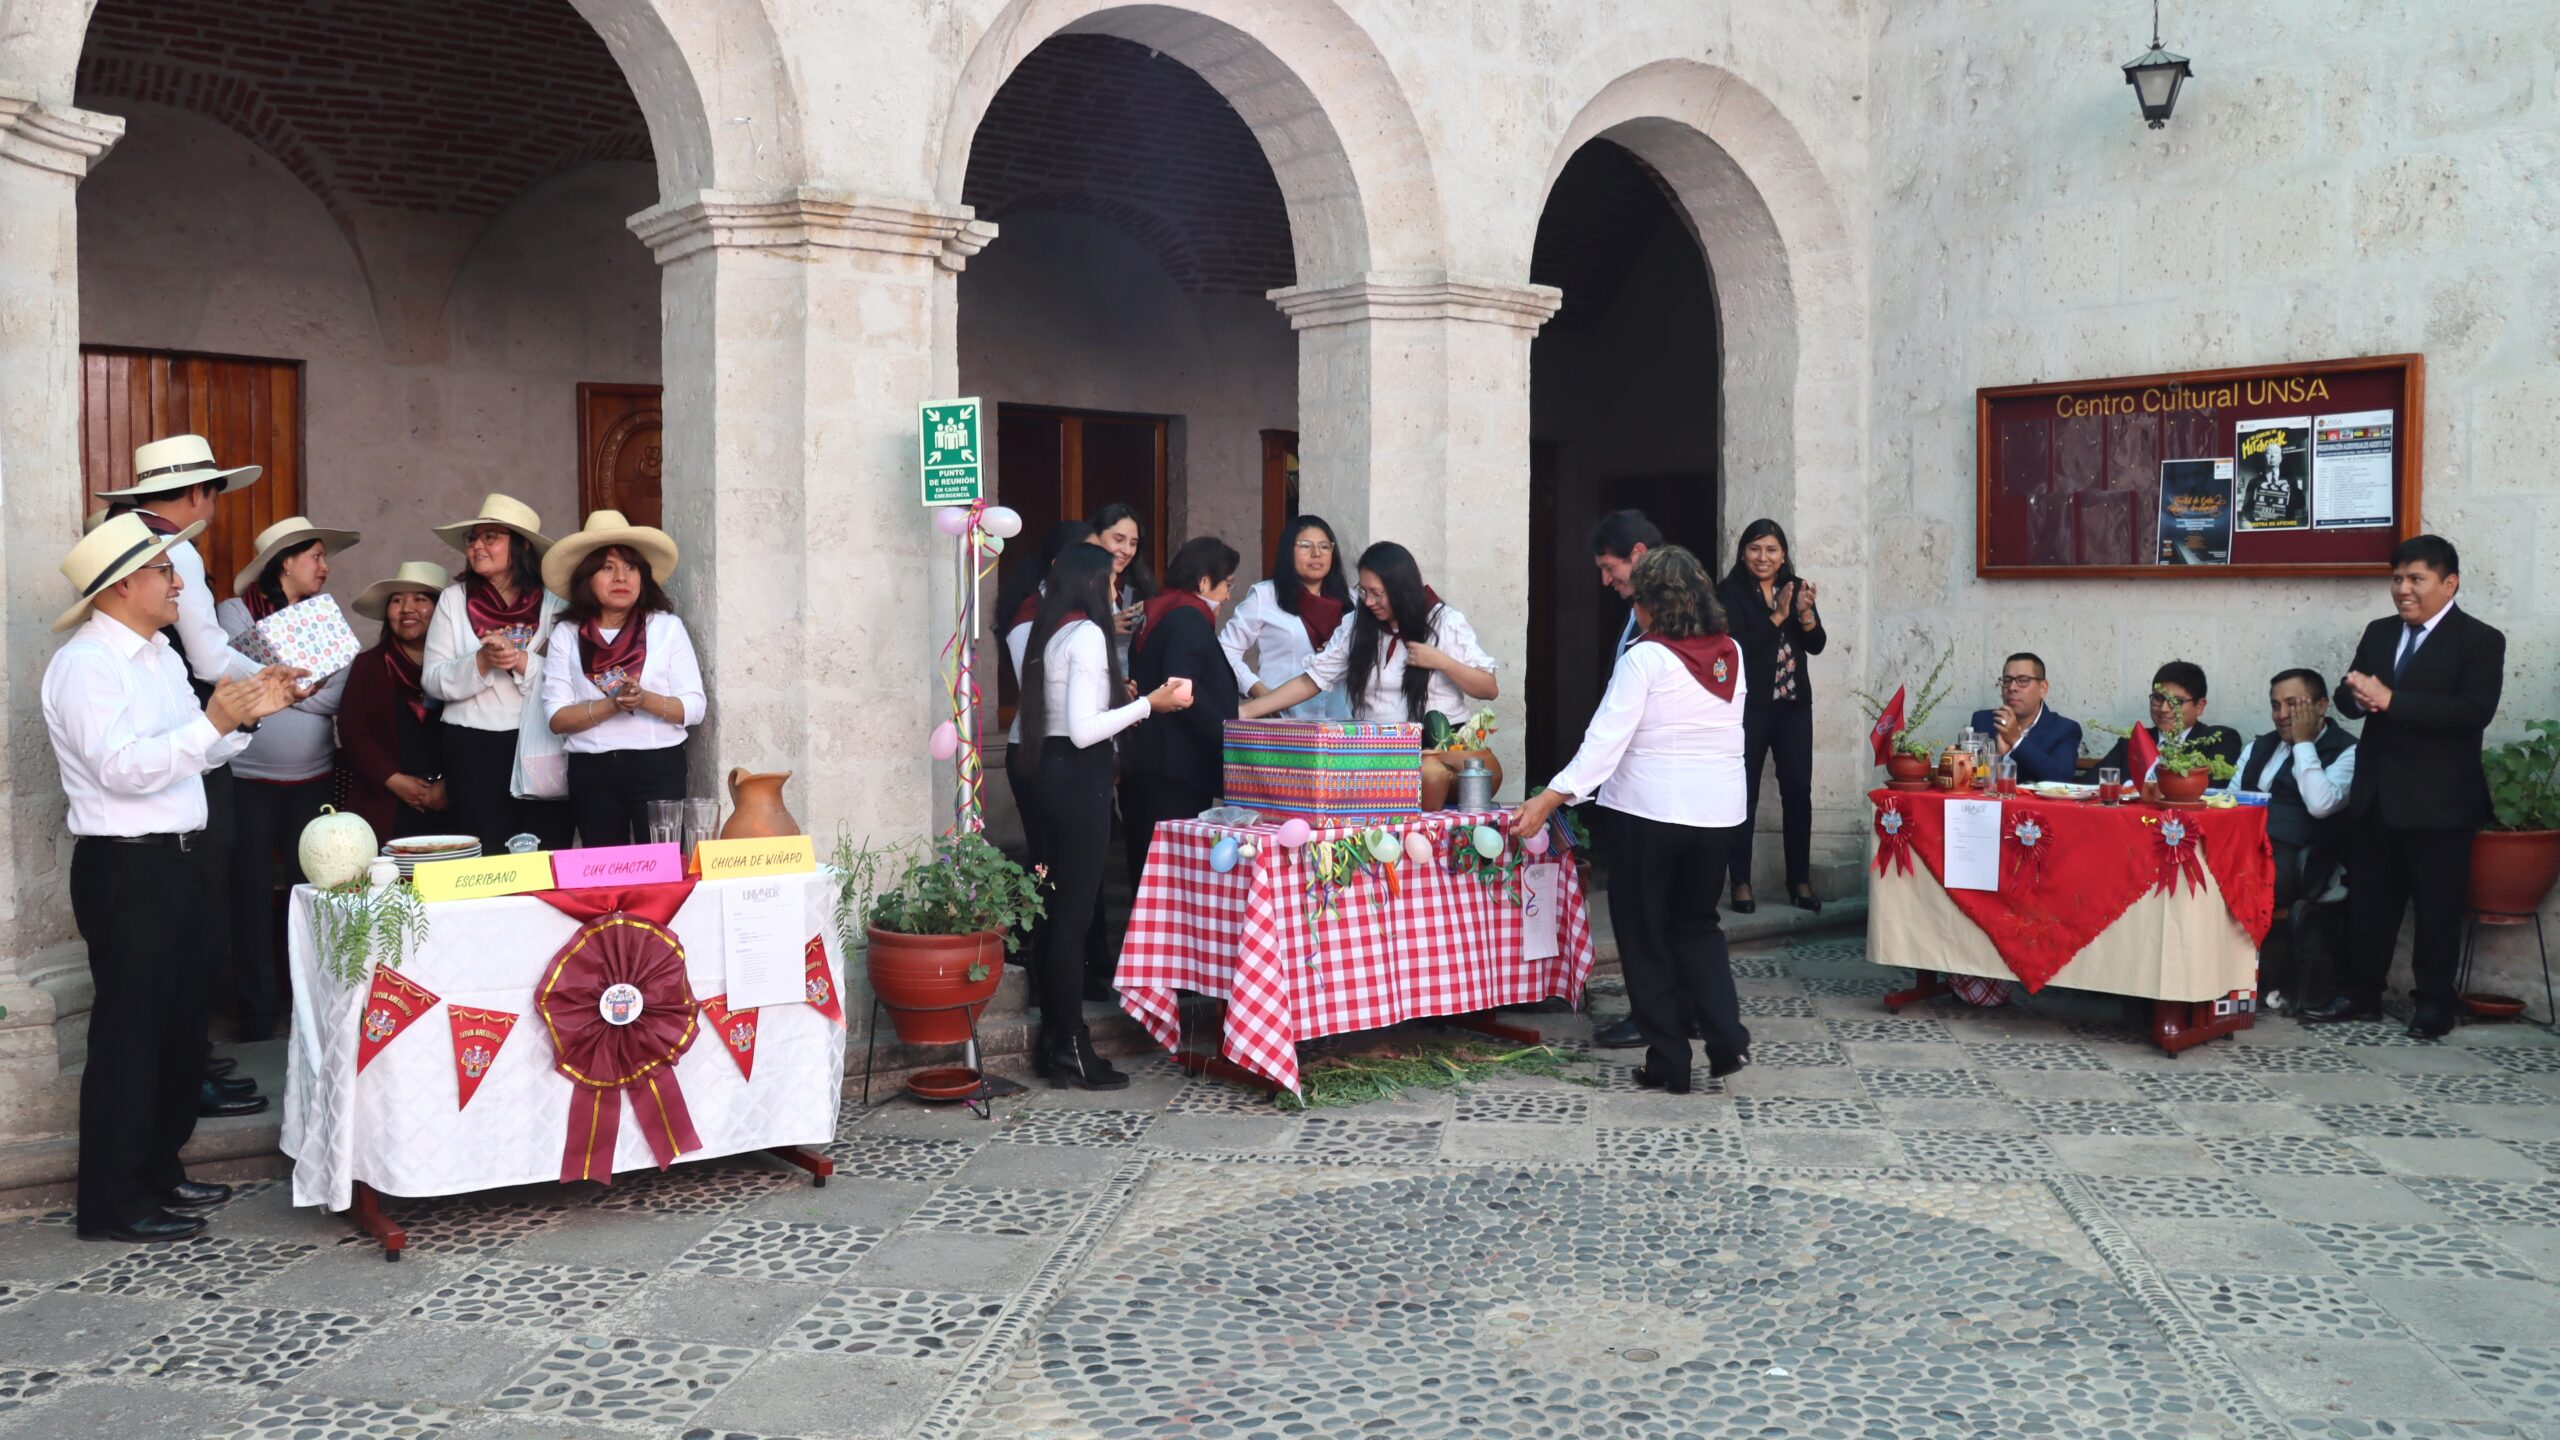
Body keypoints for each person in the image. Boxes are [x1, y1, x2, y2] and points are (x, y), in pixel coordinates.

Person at [41, 513, 301, 1241]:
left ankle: (159, 1170)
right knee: (132, 1034)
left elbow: (200, 751)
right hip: (129, 866)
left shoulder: (157, 655)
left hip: (183, 859)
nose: (178, 583)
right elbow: (121, 769)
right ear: (122, 585)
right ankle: (112, 1201)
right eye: (164, 571)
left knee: (182, 1027)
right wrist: (213, 723)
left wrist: (246, 715)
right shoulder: (86, 665)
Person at [1518, 545, 1751, 1094]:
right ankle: (1727, 1038)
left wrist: (1549, 799)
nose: (1633, 609)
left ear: (1653, 603)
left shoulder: (1645, 658)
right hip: (1718, 815)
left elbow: (1604, 743)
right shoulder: (1732, 653)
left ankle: (1669, 1060)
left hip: (1651, 813)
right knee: (1697, 926)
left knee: (1643, 935)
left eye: (1636, 600)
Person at [94, 434, 273, 1115]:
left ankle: (185, 1065)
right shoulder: (174, 550)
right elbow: (210, 657)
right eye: (214, 493)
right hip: (181, 755)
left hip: (176, 740)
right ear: (199, 493)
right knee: (194, 916)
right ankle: (185, 1070)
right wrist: (276, 682)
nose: (173, 582)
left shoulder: (118, 533)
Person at [2301, 535, 2505, 1039]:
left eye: (2416, 579)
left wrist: (2392, 700)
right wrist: (2356, 698)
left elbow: (2473, 712)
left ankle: (2434, 1004)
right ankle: (2360, 993)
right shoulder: (2380, 632)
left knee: (2437, 909)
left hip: (2440, 803)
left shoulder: (2480, 640)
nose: (2403, 589)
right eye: (2397, 579)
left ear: (2449, 583)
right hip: (2376, 797)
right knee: (2369, 905)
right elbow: (2349, 699)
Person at [1017, 545, 1192, 1088]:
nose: (1117, 591)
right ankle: (1071, 1043)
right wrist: (1149, 705)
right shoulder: (1088, 635)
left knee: (1056, 914)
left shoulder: (1052, 633)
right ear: (1091, 583)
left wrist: (1128, 701)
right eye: (1111, 581)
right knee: (1072, 918)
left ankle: (1056, 1040)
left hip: (1050, 774)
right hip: (1078, 778)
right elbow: (1084, 730)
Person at [215, 517, 359, 1042]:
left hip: (313, 780)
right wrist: (295, 689)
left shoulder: (328, 618)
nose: (324, 567)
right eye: (316, 556)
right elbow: (240, 681)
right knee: (250, 897)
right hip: (247, 780)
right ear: (285, 562)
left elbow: (335, 696)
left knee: (314, 895)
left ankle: (312, 1009)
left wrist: (282, 690)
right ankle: (256, 1013)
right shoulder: (234, 612)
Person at [541, 510, 705, 848]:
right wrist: (612, 705)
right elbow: (556, 718)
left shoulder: (666, 628)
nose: (621, 577)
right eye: (607, 568)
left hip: (658, 766)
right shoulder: (567, 634)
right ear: (586, 577)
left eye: (630, 567)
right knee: (603, 868)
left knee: (662, 866)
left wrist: (645, 700)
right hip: (591, 770)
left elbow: (694, 708)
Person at [423, 494, 573, 852]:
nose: (477, 546)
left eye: (490, 537)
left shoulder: (554, 601)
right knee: (483, 852)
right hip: (472, 749)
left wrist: (518, 660)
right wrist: (482, 661)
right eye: (472, 538)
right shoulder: (454, 599)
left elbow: (571, 676)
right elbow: (432, 680)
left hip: (539, 742)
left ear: (521, 546)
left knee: (543, 848)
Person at [1002, 522, 1104, 1010]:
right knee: (1055, 886)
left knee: (1068, 891)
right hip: (1045, 753)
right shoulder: (1037, 616)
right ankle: (1056, 997)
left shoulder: (1072, 621)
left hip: (1064, 752)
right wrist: (1144, 705)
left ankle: (1071, 992)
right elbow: (1045, 695)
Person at [1237, 541, 1499, 724]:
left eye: (1377, 593)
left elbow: (1488, 688)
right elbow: (1313, 680)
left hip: (1436, 750)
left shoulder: (1443, 622)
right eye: (1363, 591)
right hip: (1374, 749)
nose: (1369, 601)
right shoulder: (1357, 624)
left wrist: (1442, 661)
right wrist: (1248, 711)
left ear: (1401, 588)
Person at [1716, 519, 1825, 914]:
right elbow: (1735, 651)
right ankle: (1741, 882)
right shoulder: (1728, 592)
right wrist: (1777, 617)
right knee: (1743, 793)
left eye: (1771, 550)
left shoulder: (1795, 586)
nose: (1763, 557)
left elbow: (1816, 644)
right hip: (1751, 707)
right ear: (1743, 552)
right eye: (1755, 549)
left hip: (1793, 706)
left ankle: (1799, 879)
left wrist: (1805, 615)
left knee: (1797, 791)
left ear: (1783, 555)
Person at [1124, 537, 1244, 892]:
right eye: (1227, 585)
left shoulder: (1156, 612)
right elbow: (1181, 689)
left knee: (1147, 864)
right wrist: (1230, 735)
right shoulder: (1188, 617)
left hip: (1148, 758)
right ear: (1204, 582)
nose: (1227, 596)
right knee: (1172, 875)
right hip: (1177, 767)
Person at [2235, 668, 2357, 1014]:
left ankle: (2240, 981)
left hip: (2297, 861)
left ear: (2322, 706)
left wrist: (2303, 744)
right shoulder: (2259, 746)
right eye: (2276, 706)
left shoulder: (2349, 752)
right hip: (2244, 848)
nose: (2282, 715)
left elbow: (2320, 805)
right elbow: (2231, 800)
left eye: (2293, 704)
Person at [340, 562, 452, 839]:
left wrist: (450, 785)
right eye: (397, 601)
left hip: (450, 804)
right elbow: (353, 732)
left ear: (441, 610)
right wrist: (392, 780)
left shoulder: (460, 668)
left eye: (420, 599)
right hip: (383, 804)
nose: (407, 609)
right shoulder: (369, 665)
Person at [1220, 514, 1353, 720]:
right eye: (1306, 546)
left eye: (1325, 547)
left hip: (1341, 723)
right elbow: (1225, 649)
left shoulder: (1352, 601)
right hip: (1282, 720)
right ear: (1288, 552)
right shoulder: (1265, 596)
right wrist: (1257, 689)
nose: (1317, 554)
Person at [2095, 661, 2243, 781]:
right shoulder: (2133, 741)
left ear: (2199, 706)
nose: (2164, 708)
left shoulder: (2219, 740)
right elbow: (2092, 783)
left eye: (2176, 701)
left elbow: (2210, 790)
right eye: (2158, 698)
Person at [1967, 653, 2084, 784]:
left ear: (2042, 688)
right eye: (2007, 680)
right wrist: (1997, 756)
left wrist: (2016, 741)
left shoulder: (2064, 729)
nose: (2012, 688)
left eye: (2023, 681)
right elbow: (1973, 776)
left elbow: (2061, 778)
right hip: (1989, 797)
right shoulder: (1983, 721)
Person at [1088, 500, 1157, 670]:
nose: (1127, 551)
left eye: (1133, 543)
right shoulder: (1075, 583)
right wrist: (1106, 626)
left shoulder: (1138, 585)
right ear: (1095, 537)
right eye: (1119, 539)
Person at [1591, 510, 1661, 661]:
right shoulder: (1636, 607)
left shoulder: (1673, 618)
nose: (1605, 580)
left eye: (1609, 568)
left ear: (1638, 554)